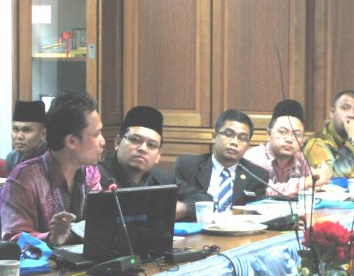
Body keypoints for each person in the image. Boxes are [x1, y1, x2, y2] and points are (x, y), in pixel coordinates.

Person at [0, 92, 105, 246]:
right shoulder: (24, 178)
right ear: (71, 141)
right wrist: (51, 238)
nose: (103, 141)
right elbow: (12, 240)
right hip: (44, 262)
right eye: (97, 134)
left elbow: (100, 223)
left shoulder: (90, 172)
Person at [98, 105, 212, 221]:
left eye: (151, 145)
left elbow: (204, 199)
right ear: (117, 142)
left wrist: (181, 209)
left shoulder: (160, 178)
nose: (143, 148)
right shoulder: (96, 176)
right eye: (135, 140)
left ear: (158, 156)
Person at [174, 109, 269, 211]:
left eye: (242, 138)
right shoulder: (187, 167)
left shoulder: (257, 175)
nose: (234, 142)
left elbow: (257, 214)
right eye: (228, 134)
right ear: (214, 137)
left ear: (248, 145)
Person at [244, 99, 331, 197]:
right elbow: (265, 191)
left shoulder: (298, 157)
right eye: (282, 132)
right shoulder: (254, 158)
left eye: (297, 135)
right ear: (268, 134)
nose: (289, 139)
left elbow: (311, 179)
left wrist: (320, 174)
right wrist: (306, 183)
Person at [5, 100, 48, 175]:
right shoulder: (11, 158)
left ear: (43, 134)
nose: (19, 136)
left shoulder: (52, 159)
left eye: (27, 130)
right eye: (15, 130)